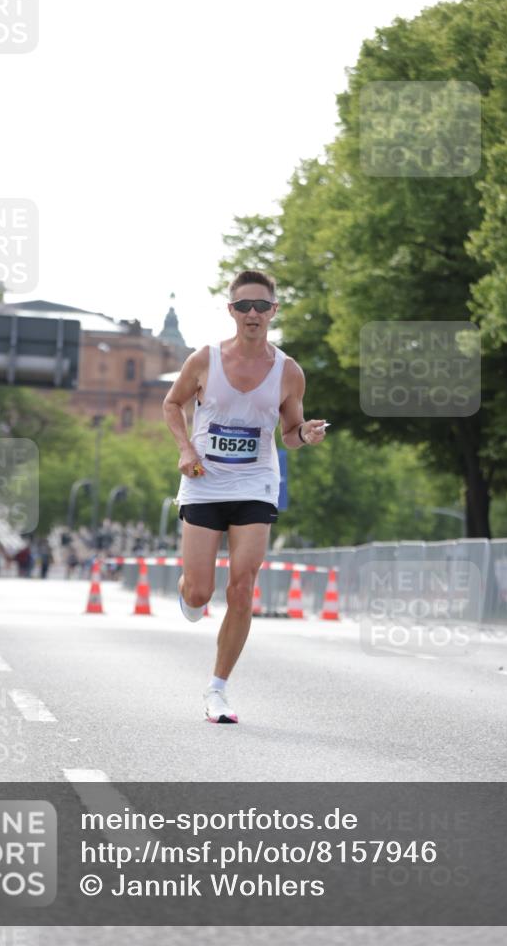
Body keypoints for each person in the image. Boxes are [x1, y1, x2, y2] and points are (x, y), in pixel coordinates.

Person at [162, 270, 327, 723]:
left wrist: (305, 436)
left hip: (255, 483)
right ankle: (189, 595)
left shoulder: (288, 371)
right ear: (231, 311)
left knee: (242, 585)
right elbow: (172, 403)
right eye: (243, 306)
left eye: (261, 306)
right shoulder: (204, 360)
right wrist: (185, 446)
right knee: (200, 592)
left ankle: (218, 690)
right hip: (204, 479)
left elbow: (290, 435)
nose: (252, 314)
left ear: (274, 311)